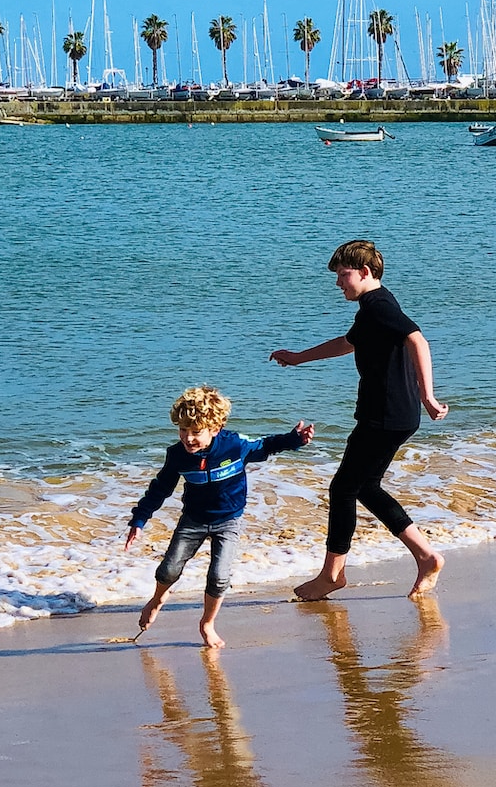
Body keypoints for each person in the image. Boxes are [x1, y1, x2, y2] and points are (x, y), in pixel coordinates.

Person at [270, 239, 448, 601]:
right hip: (395, 414)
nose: (338, 283)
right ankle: (426, 557)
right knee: (365, 487)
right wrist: (299, 357)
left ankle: (332, 575)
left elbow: (418, 340)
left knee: (343, 489)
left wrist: (428, 396)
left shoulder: (379, 306)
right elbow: (349, 342)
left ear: (364, 272)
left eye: (343, 275)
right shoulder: (374, 308)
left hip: (384, 414)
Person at [126, 384, 313, 648]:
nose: (188, 438)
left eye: (196, 432)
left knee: (219, 576)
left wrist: (294, 440)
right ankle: (157, 600)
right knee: (169, 569)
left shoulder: (234, 445)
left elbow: (265, 445)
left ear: (215, 429)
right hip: (193, 520)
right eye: (183, 430)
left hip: (228, 521)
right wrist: (139, 519)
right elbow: (160, 489)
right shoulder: (177, 455)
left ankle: (207, 623)